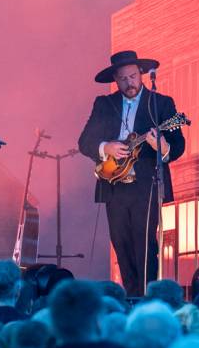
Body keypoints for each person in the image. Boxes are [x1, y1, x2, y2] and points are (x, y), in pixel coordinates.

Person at [77, 50, 185, 297]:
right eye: (123, 78)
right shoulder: (104, 104)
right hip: (114, 185)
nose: (130, 83)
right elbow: (85, 141)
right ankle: (131, 296)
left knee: (145, 244)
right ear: (115, 79)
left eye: (133, 76)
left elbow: (178, 146)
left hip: (146, 186)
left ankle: (147, 297)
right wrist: (107, 146)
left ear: (142, 75)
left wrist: (162, 146)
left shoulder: (161, 104)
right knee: (121, 245)